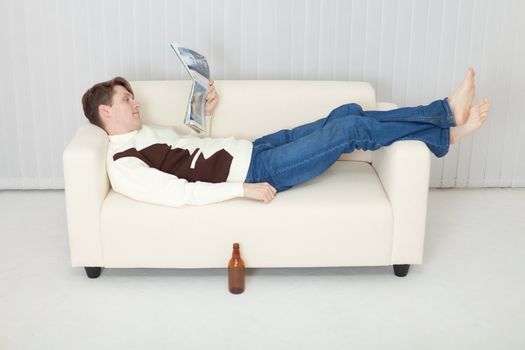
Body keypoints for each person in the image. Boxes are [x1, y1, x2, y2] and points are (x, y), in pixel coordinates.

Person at [81, 68, 489, 207]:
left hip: (254, 147)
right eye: (127, 100)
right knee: (350, 130)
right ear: (105, 112)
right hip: (260, 168)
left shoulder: (143, 133)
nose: (136, 104)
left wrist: (203, 115)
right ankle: (444, 116)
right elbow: (179, 192)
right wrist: (243, 190)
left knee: (346, 112)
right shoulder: (123, 165)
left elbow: (187, 153)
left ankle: (444, 135)